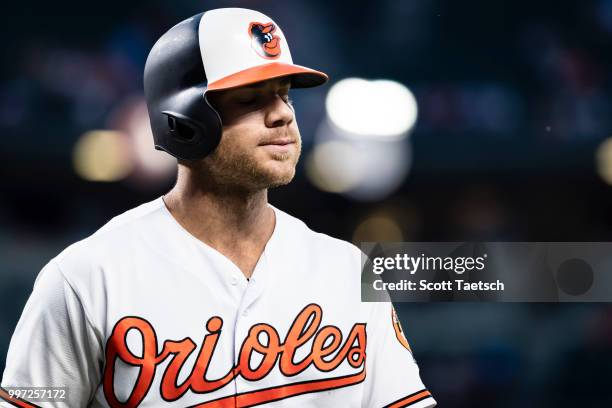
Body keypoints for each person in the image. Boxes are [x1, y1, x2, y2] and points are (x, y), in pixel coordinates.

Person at [1, 8, 436, 408]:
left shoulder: (347, 270)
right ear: (183, 120)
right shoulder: (85, 277)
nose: (282, 115)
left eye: (284, 95)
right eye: (251, 100)